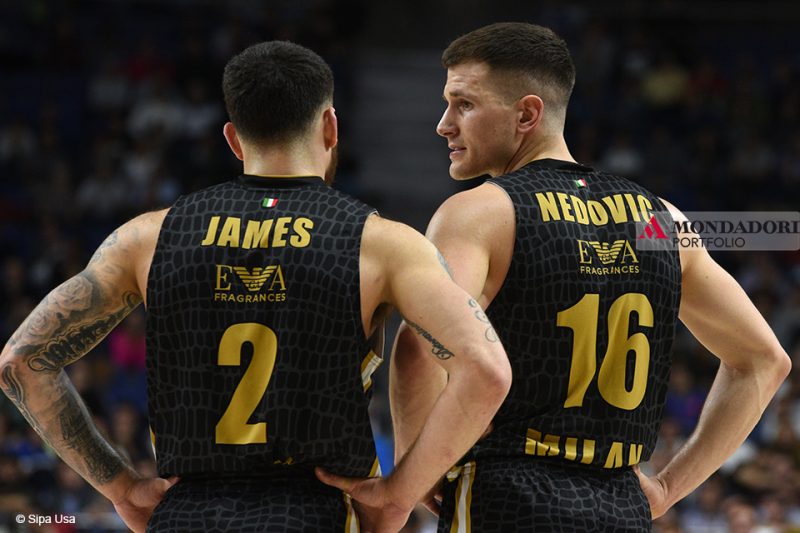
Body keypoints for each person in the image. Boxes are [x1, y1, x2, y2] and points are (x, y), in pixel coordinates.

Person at [0, 41, 512, 533]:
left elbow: (21, 362)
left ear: (233, 138)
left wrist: (120, 486)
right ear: (331, 127)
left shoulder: (144, 238)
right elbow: (485, 371)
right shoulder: (383, 244)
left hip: (188, 514)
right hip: (317, 512)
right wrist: (400, 493)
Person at [389, 22, 791, 532]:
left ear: (527, 114)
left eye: (463, 104)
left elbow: (419, 348)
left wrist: (415, 475)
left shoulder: (479, 215)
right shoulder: (662, 219)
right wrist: (667, 488)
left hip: (510, 493)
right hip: (621, 504)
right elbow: (763, 361)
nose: (444, 124)